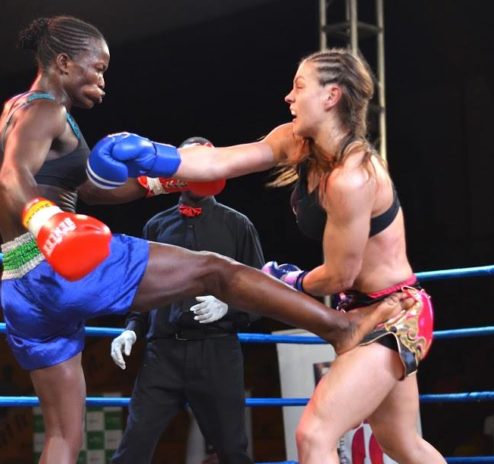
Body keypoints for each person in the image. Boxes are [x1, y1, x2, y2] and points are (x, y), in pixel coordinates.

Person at [0, 18, 406, 464]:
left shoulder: (16, 109)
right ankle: (342, 330)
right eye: (96, 68)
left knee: (62, 435)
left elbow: (91, 191)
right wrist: (49, 224)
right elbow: (11, 177)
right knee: (215, 270)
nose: (102, 81)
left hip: (19, 283)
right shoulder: (48, 111)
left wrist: (160, 180)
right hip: (56, 262)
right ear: (63, 63)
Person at [89, 48, 444, 463]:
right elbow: (221, 161)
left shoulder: (353, 178)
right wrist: (154, 155)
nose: (288, 97)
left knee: (314, 435)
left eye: (299, 86)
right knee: (401, 442)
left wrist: (286, 279)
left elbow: (340, 277)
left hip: (393, 316)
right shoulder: (296, 143)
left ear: (331, 96)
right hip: (361, 310)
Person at [110, 137, 263, 464]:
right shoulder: (156, 226)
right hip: (162, 354)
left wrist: (229, 307)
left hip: (216, 351)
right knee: (131, 450)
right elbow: (143, 288)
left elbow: (262, 293)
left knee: (232, 452)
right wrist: (131, 328)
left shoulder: (238, 225)